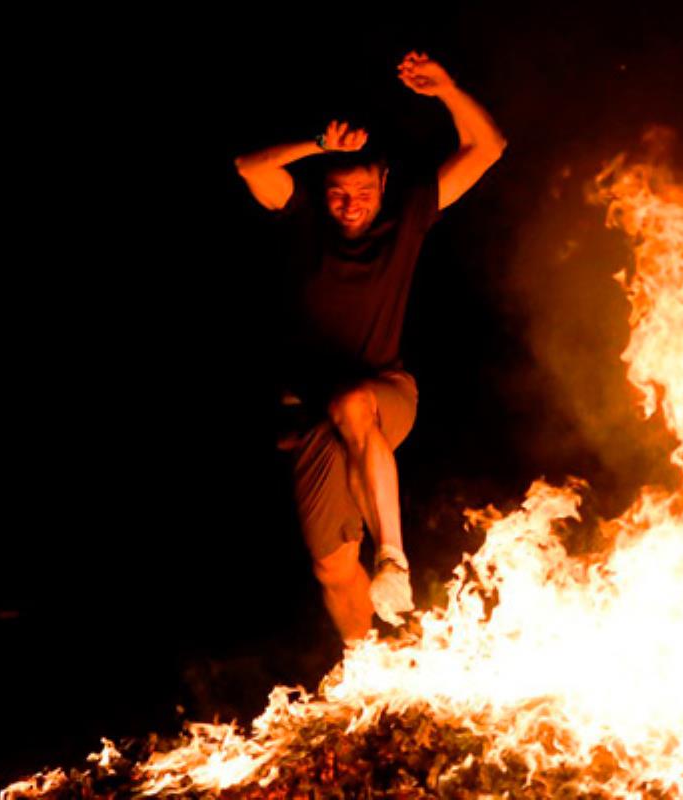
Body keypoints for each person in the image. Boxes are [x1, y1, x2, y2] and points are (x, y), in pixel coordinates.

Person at [234, 52, 506, 644]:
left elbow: (487, 147)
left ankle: (393, 559)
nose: (351, 204)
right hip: (312, 414)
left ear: (384, 182)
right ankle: (366, 664)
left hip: (385, 393)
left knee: (355, 401)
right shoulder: (301, 218)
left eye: (362, 190)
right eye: (338, 192)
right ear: (322, 190)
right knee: (332, 567)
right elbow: (248, 166)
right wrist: (316, 146)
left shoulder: (408, 214)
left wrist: (448, 90)